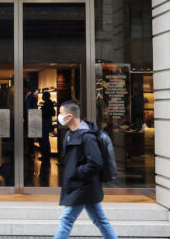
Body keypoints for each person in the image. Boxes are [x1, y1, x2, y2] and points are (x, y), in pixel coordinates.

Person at [54, 100, 117, 239]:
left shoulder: (87, 136)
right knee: (100, 221)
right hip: (82, 186)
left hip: (82, 186)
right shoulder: (70, 134)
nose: (58, 116)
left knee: (66, 219)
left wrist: (77, 174)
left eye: (60, 113)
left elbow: (95, 162)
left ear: (70, 116)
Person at [39, 91, 55, 164]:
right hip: (47, 122)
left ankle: (45, 155)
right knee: (45, 139)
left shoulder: (47, 103)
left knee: (44, 139)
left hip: (45, 123)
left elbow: (45, 112)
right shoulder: (49, 103)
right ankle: (46, 155)